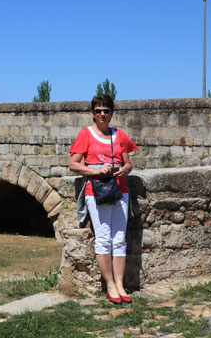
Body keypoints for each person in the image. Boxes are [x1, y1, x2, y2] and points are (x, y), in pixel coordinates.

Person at [69, 94, 138, 304]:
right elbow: (73, 164)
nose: (102, 114)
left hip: (120, 190)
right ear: (93, 113)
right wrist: (96, 170)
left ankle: (120, 284)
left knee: (119, 239)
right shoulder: (86, 135)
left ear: (111, 113)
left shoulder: (120, 136)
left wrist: (123, 170)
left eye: (106, 111)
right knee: (103, 237)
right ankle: (109, 284)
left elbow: (128, 163)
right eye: (98, 110)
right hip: (96, 190)